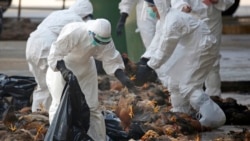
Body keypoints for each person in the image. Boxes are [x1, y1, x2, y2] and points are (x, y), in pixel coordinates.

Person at [135, 0, 226, 129]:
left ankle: (214, 118)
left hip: (203, 48)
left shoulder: (173, 21)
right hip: (191, 48)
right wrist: (144, 60)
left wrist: (150, 66)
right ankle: (181, 114)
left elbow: (165, 48)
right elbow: (157, 42)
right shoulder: (163, 20)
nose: (151, 10)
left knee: (188, 86)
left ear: (159, 6)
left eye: (152, 7)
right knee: (174, 82)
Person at [46, 18, 136, 141]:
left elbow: (110, 58)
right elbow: (55, 53)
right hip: (64, 67)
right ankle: (58, 137)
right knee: (59, 105)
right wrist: (64, 70)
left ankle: (97, 138)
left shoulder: (105, 39)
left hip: (86, 69)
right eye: (98, 41)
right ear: (91, 33)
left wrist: (123, 77)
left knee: (92, 107)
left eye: (103, 42)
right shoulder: (75, 31)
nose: (100, 45)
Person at [26, 0, 93, 112]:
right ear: (86, 14)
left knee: (42, 86)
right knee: (54, 85)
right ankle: (51, 119)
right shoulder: (77, 21)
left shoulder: (58, 13)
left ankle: (37, 115)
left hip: (31, 44)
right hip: (46, 47)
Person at [170, 0, 235, 97]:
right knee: (190, 59)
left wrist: (218, 1)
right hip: (190, 20)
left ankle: (214, 96)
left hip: (212, 21)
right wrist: (182, 6)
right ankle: (191, 96)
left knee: (213, 59)